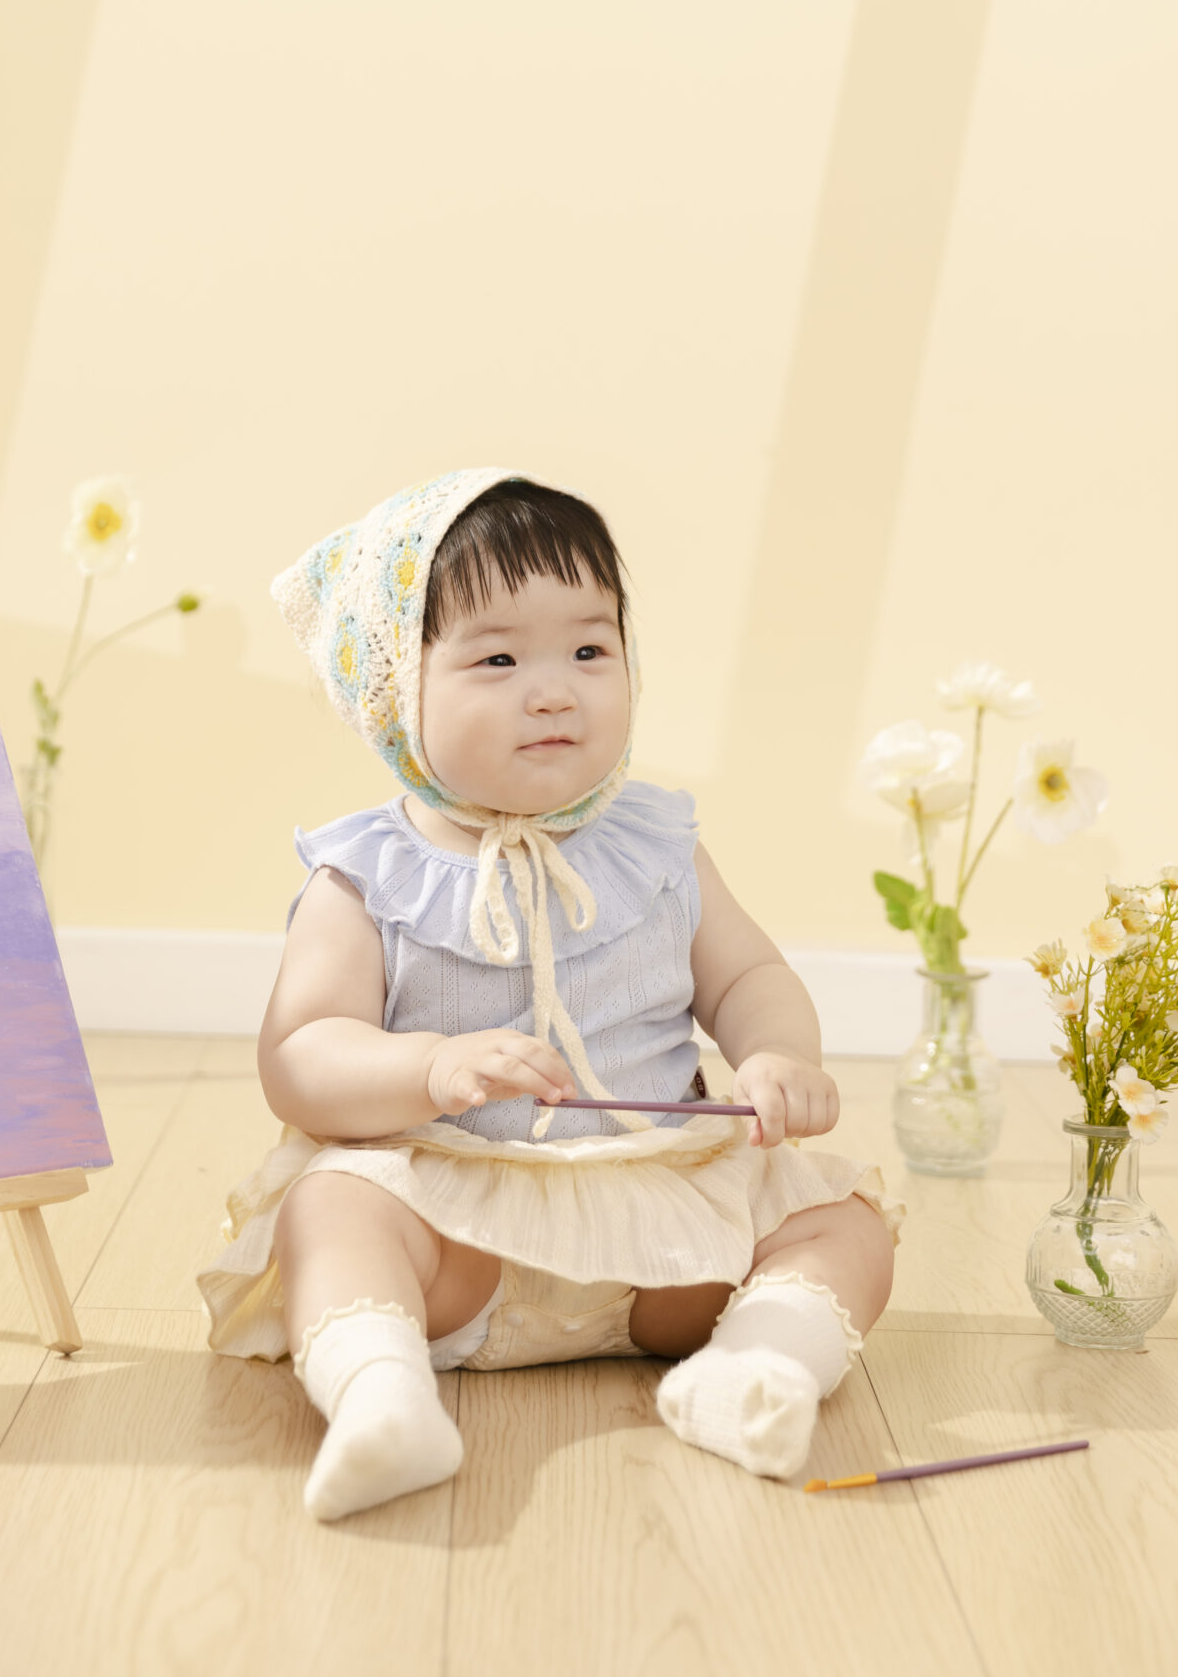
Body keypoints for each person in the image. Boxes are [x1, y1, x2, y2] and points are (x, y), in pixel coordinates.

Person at [199, 468, 901, 1522]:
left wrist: (777, 1056)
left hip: (665, 1243)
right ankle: (382, 1396)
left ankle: (755, 1368)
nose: (554, 690)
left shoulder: (659, 847)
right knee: (333, 1206)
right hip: (456, 1237)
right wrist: (429, 1066)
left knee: (845, 1221)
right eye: (498, 658)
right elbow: (300, 1055)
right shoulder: (367, 875)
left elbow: (750, 976)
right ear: (394, 691)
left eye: (588, 650)